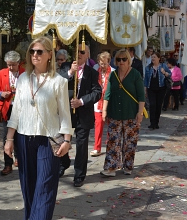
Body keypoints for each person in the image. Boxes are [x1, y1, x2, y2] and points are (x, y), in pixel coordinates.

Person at [4, 37, 73, 220]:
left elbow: (65, 114)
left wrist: (67, 139)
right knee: (28, 187)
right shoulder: (23, 79)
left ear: (49, 55)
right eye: (32, 51)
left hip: (48, 141)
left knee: (45, 188)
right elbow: (16, 111)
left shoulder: (59, 82)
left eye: (39, 51)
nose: (35, 55)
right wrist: (9, 139)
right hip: (24, 139)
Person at [59, 44, 102, 186]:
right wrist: (71, 72)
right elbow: (58, 84)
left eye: (82, 52)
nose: (79, 54)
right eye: (76, 51)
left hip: (83, 113)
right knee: (61, 140)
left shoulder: (92, 72)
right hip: (66, 112)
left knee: (81, 145)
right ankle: (63, 163)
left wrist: (82, 101)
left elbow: (96, 92)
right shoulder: (65, 67)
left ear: (87, 55)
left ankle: (79, 174)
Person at [100, 48, 145, 177]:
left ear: (128, 60)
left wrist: (140, 113)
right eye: (118, 59)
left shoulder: (135, 74)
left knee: (130, 142)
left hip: (131, 113)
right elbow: (107, 94)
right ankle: (111, 168)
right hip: (115, 113)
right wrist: (104, 110)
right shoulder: (113, 75)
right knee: (113, 141)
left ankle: (128, 166)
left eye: (124, 59)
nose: (121, 62)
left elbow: (141, 96)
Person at [0, 51, 25, 175]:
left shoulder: (24, 72)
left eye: (13, 65)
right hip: (7, 108)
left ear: (18, 63)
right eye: (9, 65)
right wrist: (1, 94)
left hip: (22, 108)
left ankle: (19, 158)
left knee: (20, 135)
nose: (11, 67)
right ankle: (8, 163)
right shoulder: (2, 73)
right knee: (7, 136)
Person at [91, 52, 115, 157]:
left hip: (110, 103)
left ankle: (110, 146)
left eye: (104, 64)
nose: (102, 66)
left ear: (109, 62)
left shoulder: (113, 72)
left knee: (110, 126)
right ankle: (97, 147)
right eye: (101, 63)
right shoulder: (96, 72)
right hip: (98, 103)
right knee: (98, 125)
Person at [144, 52, 171, 130]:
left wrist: (164, 72)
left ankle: (156, 123)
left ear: (159, 58)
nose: (153, 59)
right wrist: (145, 89)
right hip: (151, 89)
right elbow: (146, 79)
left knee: (158, 106)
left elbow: (170, 74)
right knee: (152, 105)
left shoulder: (163, 66)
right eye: (152, 57)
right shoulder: (148, 67)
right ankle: (152, 123)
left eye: (154, 57)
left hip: (161, 88)